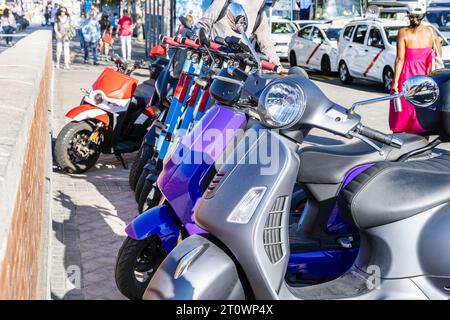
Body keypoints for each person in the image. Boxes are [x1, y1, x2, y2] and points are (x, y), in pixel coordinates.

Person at [390, 3, 442, 133]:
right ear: (423, 15)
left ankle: (400, 135)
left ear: (408, 14)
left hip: (407, 76)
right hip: (425, 76)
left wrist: (395, 82)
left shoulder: (403, 32)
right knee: (422, 105)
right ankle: (422, 133)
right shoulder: (432, 32)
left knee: (404, 107)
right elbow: (438, 55)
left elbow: (400, 59)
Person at [194, 0, 287, 73]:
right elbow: (204, 23)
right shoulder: (226, 1)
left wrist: (278, 66)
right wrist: (198, 36)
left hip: (236, 67)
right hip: (213, 59)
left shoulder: (260, 13)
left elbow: (266, 44)